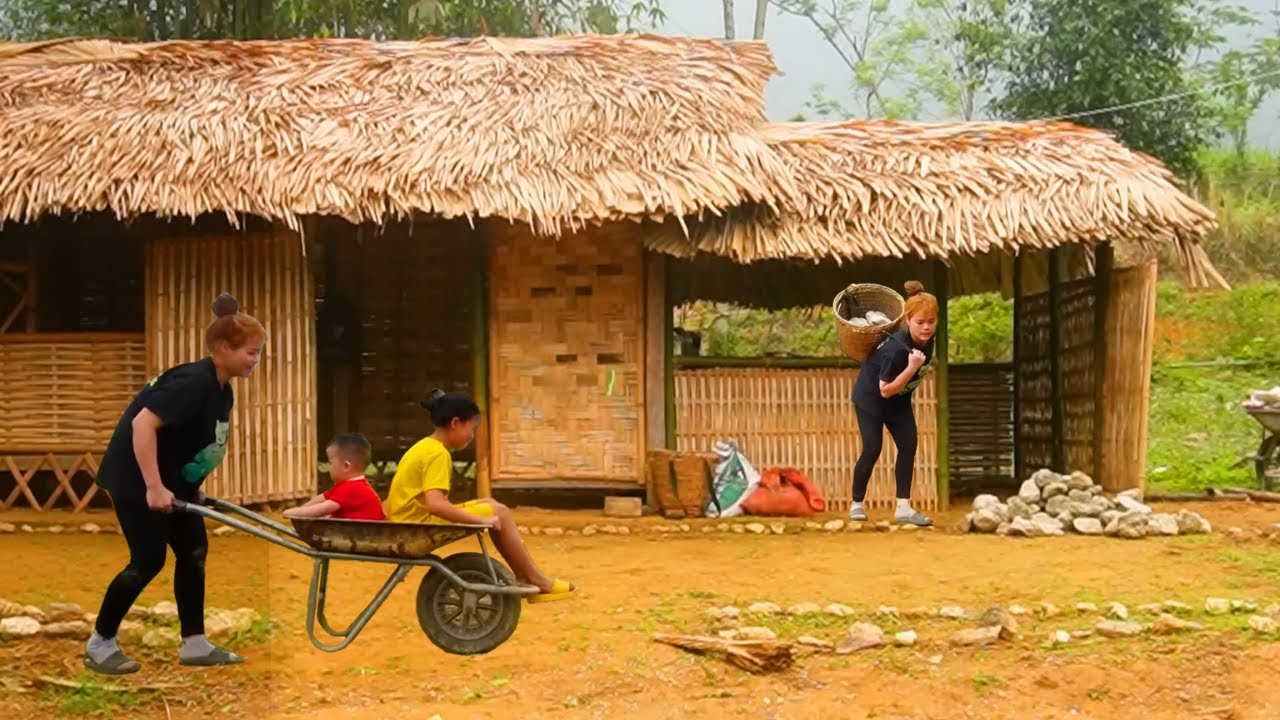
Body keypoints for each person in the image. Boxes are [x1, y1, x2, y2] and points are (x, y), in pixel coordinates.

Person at [85, 293, 265, 676]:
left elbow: (194, 438)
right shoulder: (192, 382)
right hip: (137, 482)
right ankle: (100, 644)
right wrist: (153, 486)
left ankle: (194, 643)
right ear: (223, 348)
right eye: (251, 352)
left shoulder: (221, 389)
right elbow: (143, 425)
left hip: (171, 484)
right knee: (148, 560)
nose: (256, 360)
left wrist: (191, 484)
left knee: (194, 550)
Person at [385, 389, 576, 604]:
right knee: (499, 513)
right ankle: (535, 579)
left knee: (491, 504)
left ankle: (526, 575)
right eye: (472, 428)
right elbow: (436, 505)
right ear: (456, 423)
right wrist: (481, 520)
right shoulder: (437, 454)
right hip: (414, 527)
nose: (472, 436)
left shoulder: (424, 446)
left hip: (407, 521)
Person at [848, 280, 938, 527]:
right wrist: (911, 368)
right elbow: (885, 390)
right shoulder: (895, 350)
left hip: (899, 402)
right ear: (907, 321)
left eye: (931, 322)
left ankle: (903, 508)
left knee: (908, 445)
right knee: (872, 449)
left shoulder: (927, 340)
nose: (926, 328)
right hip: (872, 400)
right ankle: (856, 504)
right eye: (920, 323)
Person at [284, 433, 386, 521]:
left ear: (346, 466)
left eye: (330, 462)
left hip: (361, 534)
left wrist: (292, 513)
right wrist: (301, 509)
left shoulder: (353, 489)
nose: (329, 467)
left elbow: (322, 508)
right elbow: (322, 498)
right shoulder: (348, 486)